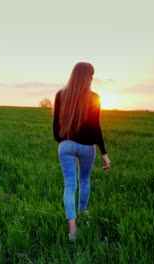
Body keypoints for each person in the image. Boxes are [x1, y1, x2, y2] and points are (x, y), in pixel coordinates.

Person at [53, 62, 111, 242]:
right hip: (87, 147)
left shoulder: (61, 94)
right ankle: (84, 216)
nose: (92, 78)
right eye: (91, 75)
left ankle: (72, 229)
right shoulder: (95, 97)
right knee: (84, 180)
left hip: (67, 145)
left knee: (69, 185)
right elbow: (96, 128)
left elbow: (56, 126)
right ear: (88, 77)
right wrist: (104, 153)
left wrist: (63, 141)